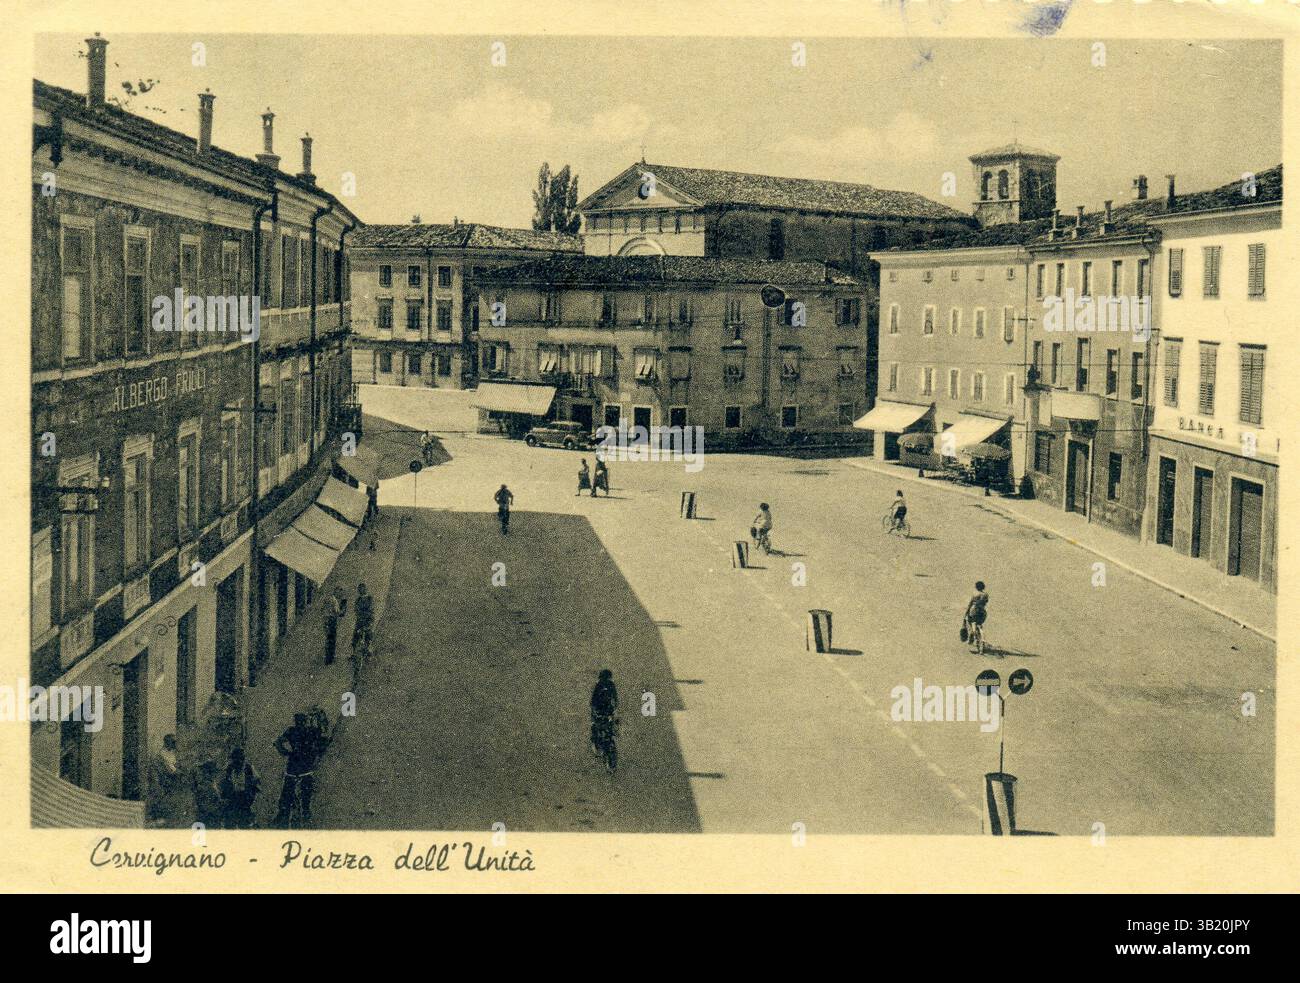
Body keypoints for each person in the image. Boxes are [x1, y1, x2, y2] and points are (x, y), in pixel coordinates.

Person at [273, 712, 330, 826]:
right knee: (305, 795)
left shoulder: (292, 731)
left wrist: (285, 752)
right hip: (305, 767)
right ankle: (304, 816)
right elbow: (324, 737)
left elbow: (278, 742)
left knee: (288, 793)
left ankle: (284, 815)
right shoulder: (310, 731)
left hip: (293, 767)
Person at [219, 746, 261, 829]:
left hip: (245, 800)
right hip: (232, 800)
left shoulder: (248, 768)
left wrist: (251, 794)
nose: (238, 761)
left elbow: (256, 781)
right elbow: (223, 784)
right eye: (236, 759)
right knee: (230, 825)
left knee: (244, 825)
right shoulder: (229, 769)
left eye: (241, 758)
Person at [589, 669, 618, 753]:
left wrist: (593, 710)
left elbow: (593, 700)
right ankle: (608, 738)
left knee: (596, 725)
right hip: (607, 709)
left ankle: (598, 742)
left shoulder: (599, 684)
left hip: (601, 710)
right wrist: (615, 708)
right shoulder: (610, 684)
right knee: (610, 726)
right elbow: (615, 698)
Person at [965, 581, 990, 654]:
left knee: (970, 621)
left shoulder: (975, 594)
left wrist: (966, 613)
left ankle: (972, 634)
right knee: (979, 624)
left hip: (974, 610)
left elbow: (970, 604)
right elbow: (986, 602)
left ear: (976, 587)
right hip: (982, 612)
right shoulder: (986, 594)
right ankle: (978, 633)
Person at [324, 588, 345, 665]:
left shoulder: (328, 599)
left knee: (328, 638)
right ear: (336, 592)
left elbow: (322, 609)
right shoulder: (334, 600)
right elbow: (337, 612)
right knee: (332, 639)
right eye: (340, 593)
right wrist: (343, 610)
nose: (340, 595)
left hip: (326, 620)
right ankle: (330, 658)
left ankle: (328, 657)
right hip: (331, 621)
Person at [352, 582, 374, 655]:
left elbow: (371, 609)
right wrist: (360, 615)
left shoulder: (370, 598)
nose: (361, 590)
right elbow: (356, 609)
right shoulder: (358, 600)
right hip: (360, 619)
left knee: (368, 632)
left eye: (363, 589)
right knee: (356, 633)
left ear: (365, 589)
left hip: (368, 619)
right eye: (359, 589)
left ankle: (368, 647)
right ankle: (354, 651)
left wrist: (365, 614)